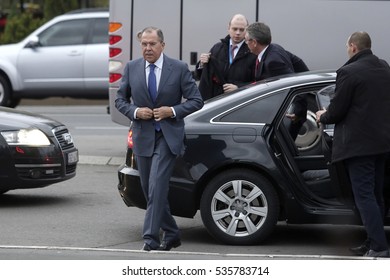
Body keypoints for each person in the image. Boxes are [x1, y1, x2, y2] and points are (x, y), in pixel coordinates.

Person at [115, 26, 203, 251]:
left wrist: (171, 111)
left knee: (156, 187)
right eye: (144, 44)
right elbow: (120, 100)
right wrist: (136, 112)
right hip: (143, 137)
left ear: (162, 45)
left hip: (168, 137)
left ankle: (150, 239)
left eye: (152, 44)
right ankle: (172, 233)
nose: (147, 48)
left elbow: (196, 100)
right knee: (148, 190)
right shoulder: (132, 68)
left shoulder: (179, 68)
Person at [316, 31, 390, 258]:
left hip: (359, 147)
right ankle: (372, 240)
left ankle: (379, 247)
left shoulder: (348, 72)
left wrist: (322, 115)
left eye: (347, 46)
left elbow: (338, 110)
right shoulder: (384, 67)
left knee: (364, 196)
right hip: (382, 143)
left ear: (353, 47)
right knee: (376, 195)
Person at [245, 21, 309, 140]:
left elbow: (295, 84)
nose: (246, 44)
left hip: (286, 117)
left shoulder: (272, 62)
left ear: (254, 43)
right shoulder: (274, 48)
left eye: (246, 40)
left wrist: (298, 111)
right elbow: (300, 66)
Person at [195, 14, 257, 100]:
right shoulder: (217, 47)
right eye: (234, 29)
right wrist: (201, 63)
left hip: (239, 100)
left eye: (241, 30)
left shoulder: (252, 51)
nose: (238, 33)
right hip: (215, 99)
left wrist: (239, 87)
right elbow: (201, 75)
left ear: (247, 30)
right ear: (228, 28)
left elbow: (258, 83)